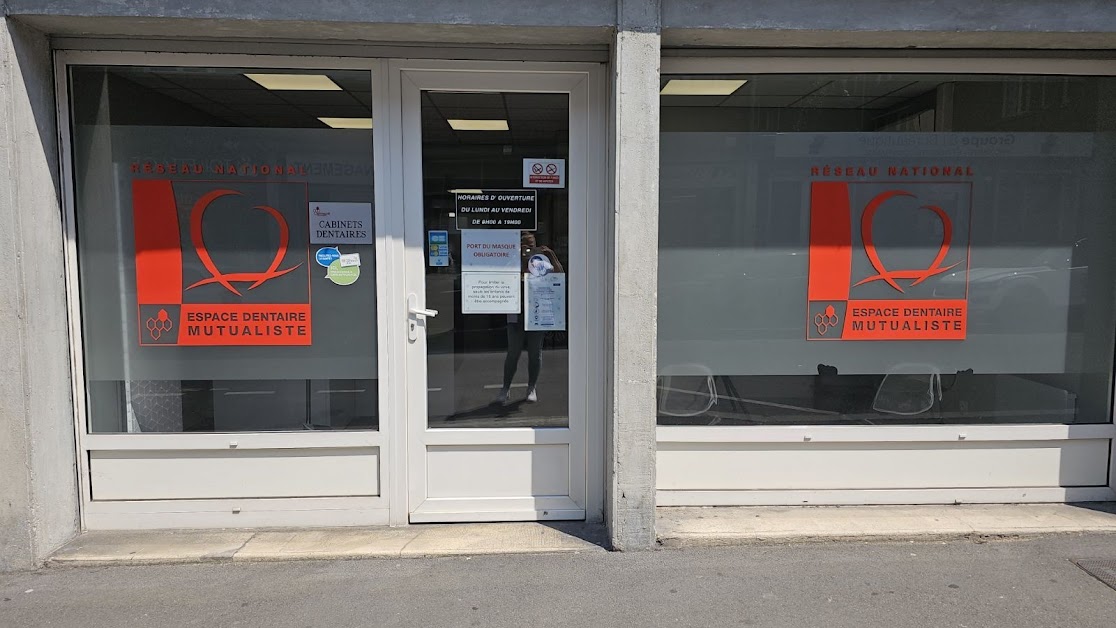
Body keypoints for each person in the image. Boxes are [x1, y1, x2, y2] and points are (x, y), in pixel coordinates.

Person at [496, 231, 563, 404]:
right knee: (513, 353)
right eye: (525, 245)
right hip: (516, 315)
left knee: (535, 353)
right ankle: (505, 388)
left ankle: (531, 387)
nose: (528, 249)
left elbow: (559, 276)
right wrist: (517, 256)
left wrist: (551, 255)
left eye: (531, 246)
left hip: (537, 314)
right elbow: (501, 278)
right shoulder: (512, 261)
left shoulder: (540, 262)